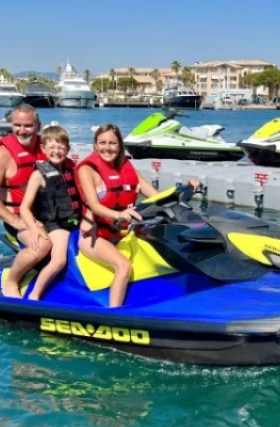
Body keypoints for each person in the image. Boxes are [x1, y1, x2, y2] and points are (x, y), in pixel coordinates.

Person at [75, 124, 199, 308]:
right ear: (95, 145)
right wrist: (119, 214)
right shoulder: (88, 170)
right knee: (123, 266)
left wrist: (186, 189)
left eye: (112, 143)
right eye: (102, 143)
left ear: (120, 146)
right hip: (94, 236)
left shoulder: (127, 167)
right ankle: (114, 315)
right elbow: (94, 205)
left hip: (123, 234)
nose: (107, 148)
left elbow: (156, 196)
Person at [0, 103, 51, 298]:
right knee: (42, 245)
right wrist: (15, 221)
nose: (22, 130)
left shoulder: (46, 147)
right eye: (17, 125)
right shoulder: (3, 154)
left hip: (48, 215)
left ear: (37, 126)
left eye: (28, 125)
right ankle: (11, 282)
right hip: (20, 219)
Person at [18, 126, 80, 301]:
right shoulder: (38, 175)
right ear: (43, 149)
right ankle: (35, 295)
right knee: (59, 260)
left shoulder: (73, 169)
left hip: (75, 221)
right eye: (52, 147)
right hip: (56, 225)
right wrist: (35, 229)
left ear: (68, 149)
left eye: (61, 147)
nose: (57, 151)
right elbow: (24, 207)